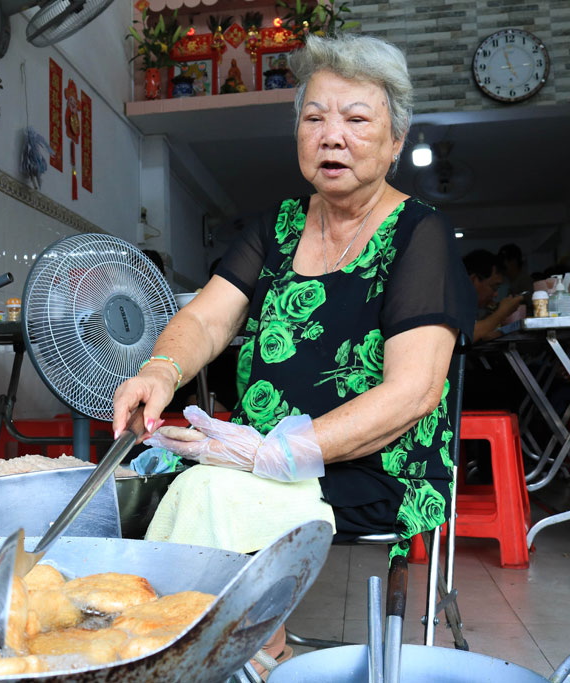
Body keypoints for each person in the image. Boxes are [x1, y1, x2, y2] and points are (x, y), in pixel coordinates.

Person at [111, 33, 474, 671]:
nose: (332, 136)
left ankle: (227, 648)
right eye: (314, 118)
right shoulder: (277, 227)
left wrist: (282, 452)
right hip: (261, 450)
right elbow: (206, 319)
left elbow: (415, 391)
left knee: (213, 495)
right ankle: (230, 643)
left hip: (373, 464)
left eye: (357, 120)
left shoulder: (420, 234)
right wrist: (159, 369)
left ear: (395, 142)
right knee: (155, 486)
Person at [463, 249, 522, 342]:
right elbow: (467, 335)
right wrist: (502, 312)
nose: (495, 294)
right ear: (474, 280)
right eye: (494, 287)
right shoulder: (450, 303)